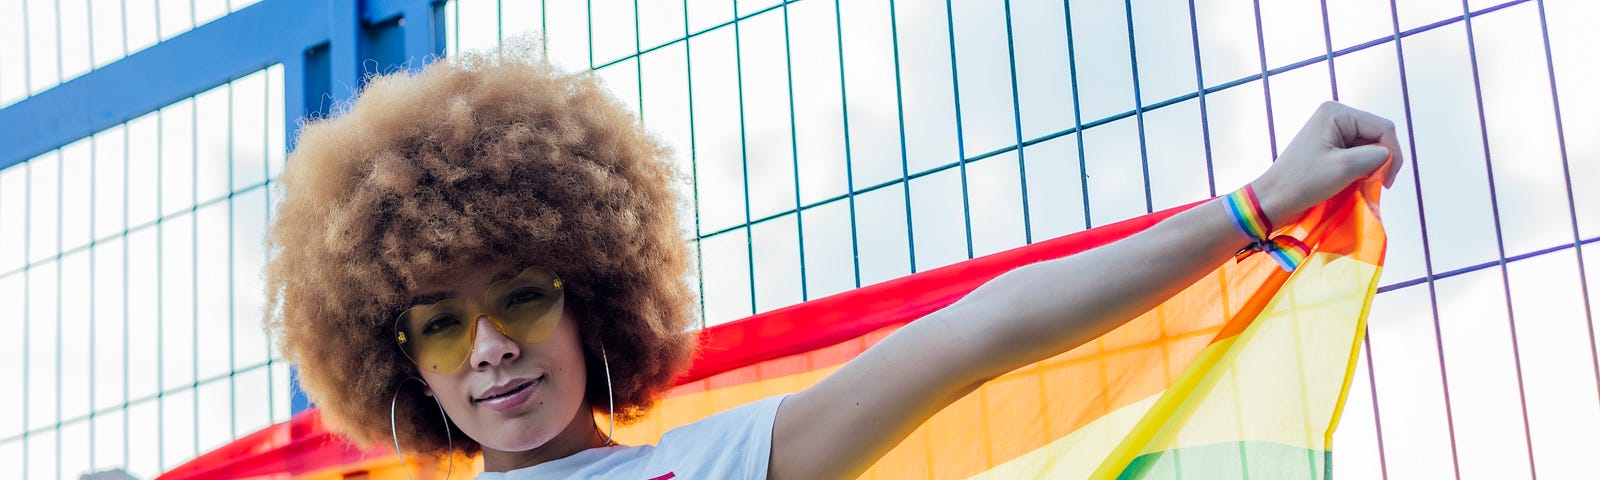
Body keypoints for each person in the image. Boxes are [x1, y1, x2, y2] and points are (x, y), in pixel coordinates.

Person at [265, 45, 1402, 479]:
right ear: (400, 360)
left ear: (594, 306)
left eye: (522, 295)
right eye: (443, 322)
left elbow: (980, 333)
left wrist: (1255, 208)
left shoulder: (725, 465)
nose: (495, 346)